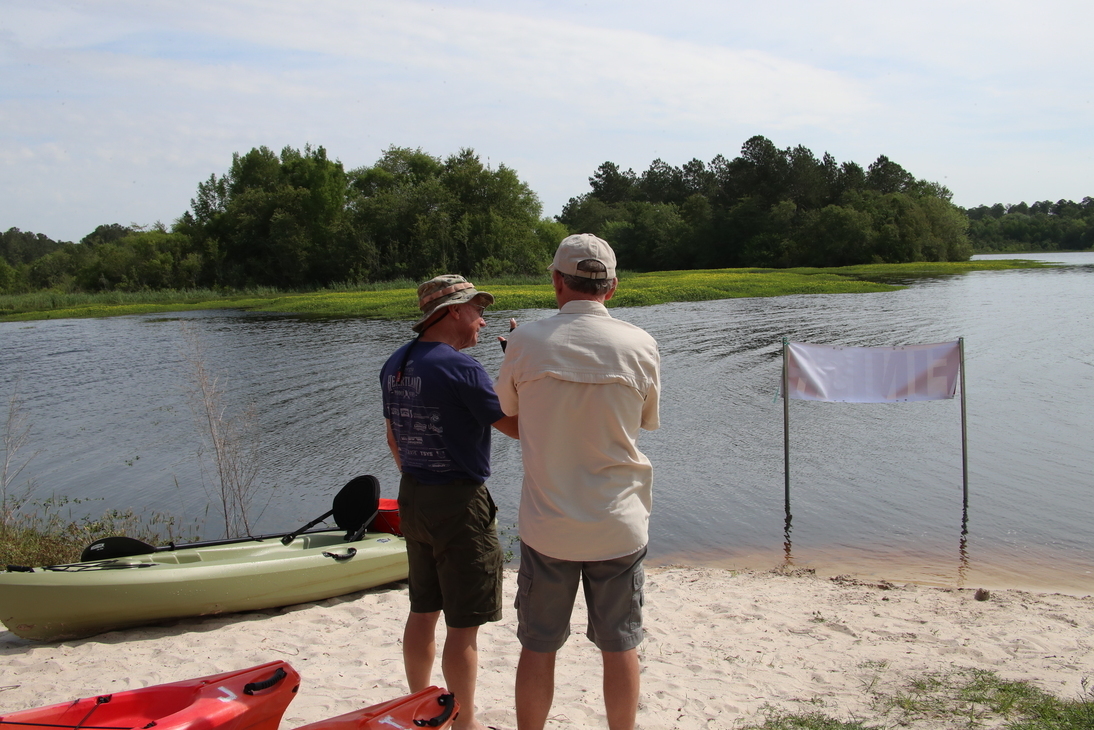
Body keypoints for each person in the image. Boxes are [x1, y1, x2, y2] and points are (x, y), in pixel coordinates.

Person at [495, 234, 661, 730]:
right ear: (611, 287)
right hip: (618, 523)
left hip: (549, 527)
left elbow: (510, 414)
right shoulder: (641, 343)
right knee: (621, 644)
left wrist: (521, 354)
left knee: (538, 646)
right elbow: (641, 421)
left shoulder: (524, 341)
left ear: (556, 282)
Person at [380, 274, 518, 730]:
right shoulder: (463, 368)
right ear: (454, 311)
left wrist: (417, 474)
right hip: (459, 503)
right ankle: (465, 724)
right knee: (463, 624)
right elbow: (516, 426)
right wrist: (519, 363)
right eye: (478, 310)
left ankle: (420, 708)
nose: (482, 320)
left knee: (423, 608)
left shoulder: (396, 363)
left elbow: (393, 435)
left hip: (413, 496)